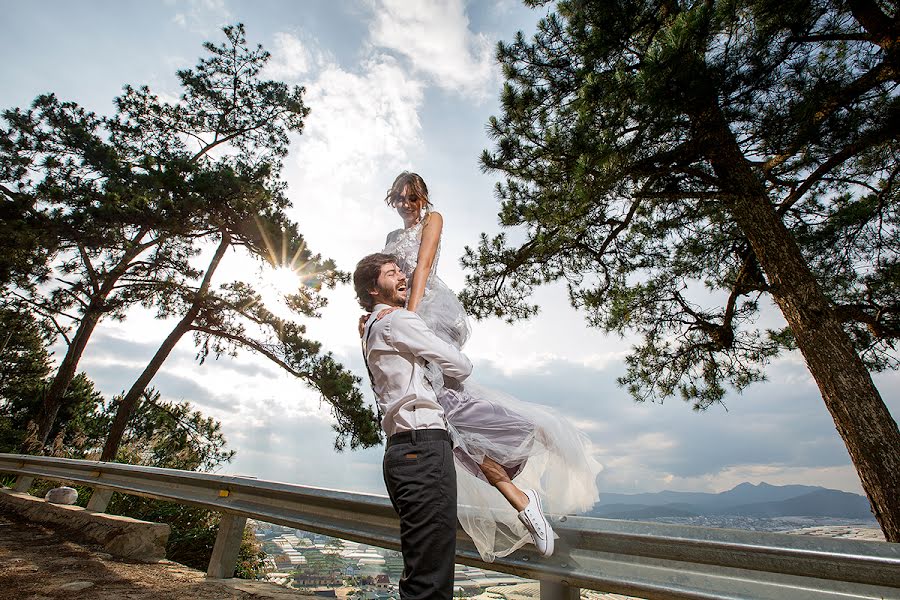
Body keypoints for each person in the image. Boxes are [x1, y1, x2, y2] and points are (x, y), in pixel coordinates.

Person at [369, 171, 601, 562]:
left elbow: (422, 267)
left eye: (413, 197)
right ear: (392, 200)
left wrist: (407, 318)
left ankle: (530, 440)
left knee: (445, 402)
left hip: (429, 312)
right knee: (444, 420)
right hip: (404, 313)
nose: (407, 204)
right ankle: (518, 497)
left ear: (423, 197)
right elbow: (385, 282)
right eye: (400, 198)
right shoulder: (392, 239)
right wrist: (376, 314)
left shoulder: (433, 219)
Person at [353, 252, 469, 600]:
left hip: (401, 452)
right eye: (390, 273)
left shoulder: (371, 327)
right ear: (373, 289)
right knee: (430, 580)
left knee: (421, 566)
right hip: (424, 448)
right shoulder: (397, 321)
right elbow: (460, 366)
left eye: (401, 270)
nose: (402, 275)